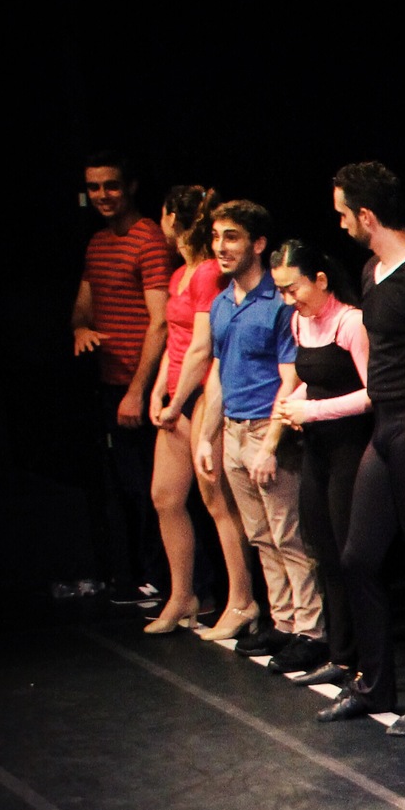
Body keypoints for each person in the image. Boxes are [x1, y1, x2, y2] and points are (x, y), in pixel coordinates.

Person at [320, 162, 405, 732]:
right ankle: (375, 685)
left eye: (344, 213)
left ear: (367, 214)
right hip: (386, 425)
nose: (342, 223)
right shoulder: (373, 270)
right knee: (358, 556)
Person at [195, 199, 322, 666]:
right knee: (259, 535)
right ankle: (283, 621)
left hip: (269, 429)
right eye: (216, 237)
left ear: (258, 244)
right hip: (232, 429)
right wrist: (207, 437)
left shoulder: (278, 301)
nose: (221, 247)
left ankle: (310, 629)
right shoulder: (221, 302)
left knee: (289, 534)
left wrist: (270, 444)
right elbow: (217, 374)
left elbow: (290, 378)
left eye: (231, 237)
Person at [141, 183, 253, 637]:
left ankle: (242, 600)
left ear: (171, 217)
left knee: (218, 503)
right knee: (164, 497)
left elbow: (204, 348)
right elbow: (173, 337)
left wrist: (178, 401)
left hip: (203, 393)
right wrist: (156, 393)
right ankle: (181, 594)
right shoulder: (179, 274)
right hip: (175, 396)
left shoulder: (209, 273)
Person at [72, 149, 173, 607]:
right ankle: (145, 575)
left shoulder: (147, 239)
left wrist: (137, 391)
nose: (102, 195)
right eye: (94, 187)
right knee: (130, 486)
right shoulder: (97, 243)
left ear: (130, 186)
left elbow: (160, 321)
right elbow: (85, 300)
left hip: (145, 384)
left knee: (157, 488)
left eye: (111, 185)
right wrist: (80, 328)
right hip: (110, 381)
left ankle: (166, 580)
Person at [269, 242, 370, 682]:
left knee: (351, 555)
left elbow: (372, 394)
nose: (290, 300)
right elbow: (313, 383)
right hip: (317, 450)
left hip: (351, 449)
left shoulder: (351, 323)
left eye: (294, 289)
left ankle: (367, 658)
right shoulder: (298, 321)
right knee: (324, 551)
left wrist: (312, 411)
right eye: (282, 291)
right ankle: (341, 653)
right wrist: (292, 403)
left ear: (320, 281)